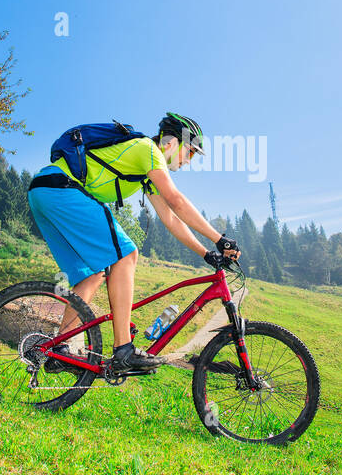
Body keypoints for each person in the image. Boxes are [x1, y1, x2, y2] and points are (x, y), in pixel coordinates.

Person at [26, 112, 240, 375]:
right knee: (127, 255)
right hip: (62, 189)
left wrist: (206, 253)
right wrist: (220, 239)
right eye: (190, 152)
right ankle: (123, 349)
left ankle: (59, 348)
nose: (189, 161)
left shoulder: (146, 174)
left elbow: (171, 219)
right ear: (171, 143)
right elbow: (177, 201)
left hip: (43, 192)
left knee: (92, 275)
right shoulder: (148, 150)